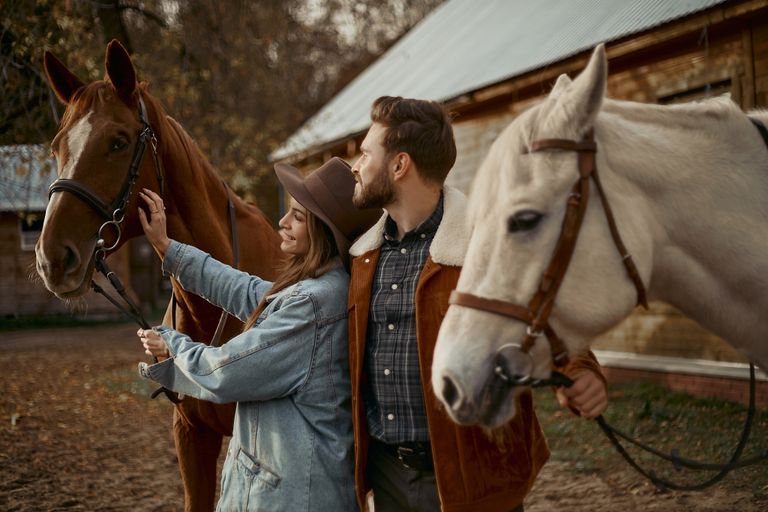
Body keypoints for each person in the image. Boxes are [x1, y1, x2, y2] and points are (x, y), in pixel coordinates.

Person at [346, 96, 609, 512]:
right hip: (387, 478)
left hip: (476, 479)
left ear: (399, 166)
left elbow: (550, 320)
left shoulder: (484, 245)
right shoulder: (362, 255)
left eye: (364, 153)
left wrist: (581, 371)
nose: (355, 166)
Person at [135, 157, 380, 511]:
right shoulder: (321, 288)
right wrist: (168, 249)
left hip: (294, 497)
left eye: (298, 216)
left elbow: (226, 371)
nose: (282, 221)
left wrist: (173, 345)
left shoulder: (313, 304)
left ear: (325, 231)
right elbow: (245, 289)